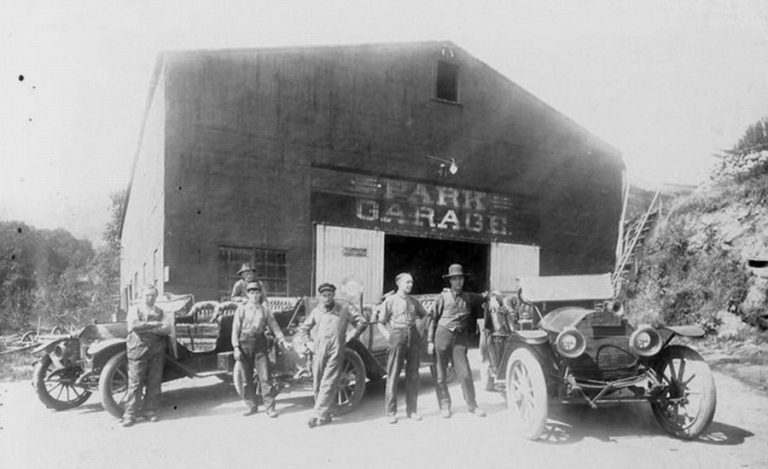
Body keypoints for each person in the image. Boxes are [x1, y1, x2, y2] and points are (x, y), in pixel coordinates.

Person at [298, 283, 367, 428]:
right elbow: (304, 329)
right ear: (320, 297)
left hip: (336, 350)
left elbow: (362, 322)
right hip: (319, 350)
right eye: (324, 296)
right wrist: (308, 343)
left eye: (329, 295)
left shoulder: (343, 310)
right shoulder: (317, 311)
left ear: (333, 296)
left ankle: (317, 415)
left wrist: (352, 335)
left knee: (328, 382)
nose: (327, 298)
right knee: (317, 383)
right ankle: (325, 413)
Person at [427, 264, 487, 418]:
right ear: (450, 281)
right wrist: (430, 341)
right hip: (442, 336)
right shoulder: (442, 298)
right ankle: (445, 406)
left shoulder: (470, 297)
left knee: (465, 373)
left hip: (459, 340)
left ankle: (472, 405)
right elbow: (432, 320)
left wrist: (495, 295)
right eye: (455, 279)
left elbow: (485, 296)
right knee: (441, 375)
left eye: (460, 279)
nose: (458, 282)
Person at [232, 280, 289, 418]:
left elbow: (274, 326)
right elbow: (235, 330)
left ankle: (270, 408)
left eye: (257, 292)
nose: (255, 295)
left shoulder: (265, 310)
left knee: (265, 377)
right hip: (244, 343)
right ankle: (251, 406)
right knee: (246, 379)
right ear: (247, 294)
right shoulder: (242, 309)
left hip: (260, 345)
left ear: (260, 294)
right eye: (252, 292)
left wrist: (282, 340)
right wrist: (236, 348)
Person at [377, 273, 428, 424]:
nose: (410, 285)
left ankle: (412, 410)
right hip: (397, 337)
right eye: (407, 282)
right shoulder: (390, 301)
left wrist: (419, 331)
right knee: (393, 375)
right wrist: (389, 336)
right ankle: (391, 412)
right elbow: (380, 322)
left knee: (413, 375)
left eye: (411, 282)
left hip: (413, 338)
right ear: (398, 283)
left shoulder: (413, 301)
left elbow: (425, 315)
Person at [122, 284, 172, 427]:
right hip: (137, 349)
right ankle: (130, 414)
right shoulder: (134, 309)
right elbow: (133, 326)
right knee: (135, 382)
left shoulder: (160, 311)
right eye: (147, 295)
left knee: (154, 381)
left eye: (152, 295)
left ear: (156, 297)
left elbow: (167, 328)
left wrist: (146, 327)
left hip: (156, 350)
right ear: (142, 296)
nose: (150, 298)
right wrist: (154, 325)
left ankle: (150, 411)